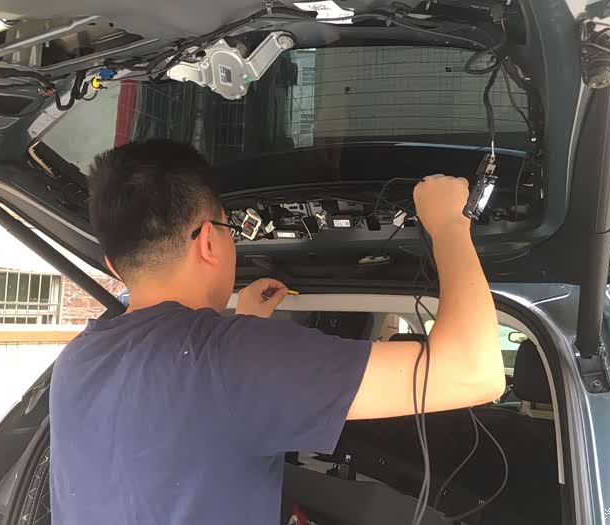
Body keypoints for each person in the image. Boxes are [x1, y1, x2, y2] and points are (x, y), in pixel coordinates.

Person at [49, 140, 504, 525]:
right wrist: (449, 225)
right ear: (208, 240)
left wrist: (245, 328)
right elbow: (473, 373)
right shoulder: (237, 360)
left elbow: (179, 427)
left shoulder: (76, 361)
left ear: (112, 266)